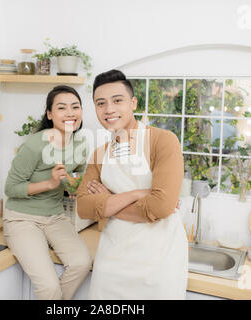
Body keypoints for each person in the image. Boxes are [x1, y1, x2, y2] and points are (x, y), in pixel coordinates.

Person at [76, 70, 188, 299]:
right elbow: (83, 207)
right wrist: (138, 193)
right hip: (111, 263)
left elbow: (161, 207)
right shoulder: (100, 154)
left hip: (158, 264)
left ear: (133, 103)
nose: (109, 109)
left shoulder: (163, 141)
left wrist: (108, 201)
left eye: (117, 100)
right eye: (100, 103)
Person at [3, 85, 91, 300]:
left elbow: (77, 174)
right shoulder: (35, 145)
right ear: (50, 115)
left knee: (82, 263)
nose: (70, 113)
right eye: (62, 108)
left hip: (55, 216)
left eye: (75, 107)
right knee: (49, 288)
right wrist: (50, 184)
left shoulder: (81, 143)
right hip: (22, 219)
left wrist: (75, 184)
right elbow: (11, 188)